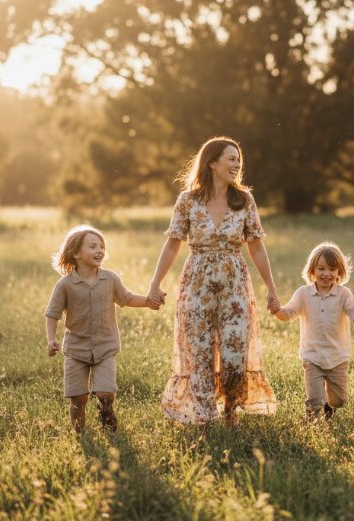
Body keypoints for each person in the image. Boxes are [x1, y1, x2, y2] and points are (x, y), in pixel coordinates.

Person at [147, 137, 279, 427]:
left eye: (238, 159)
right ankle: (205, 416)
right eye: (230, 158)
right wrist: (155, 283)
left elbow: (255, 246)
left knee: (234, 352)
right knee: (200, 350)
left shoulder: (244, 200)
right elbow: (172, 244)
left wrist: (271, 288)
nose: (237, 164)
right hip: (197, 282)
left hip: (234, 284)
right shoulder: (188, 201)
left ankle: (231, 410)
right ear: (212, 162)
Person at [44, 225, 160, 433]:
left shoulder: (110, 279)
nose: (99, 251)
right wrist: (51, 340)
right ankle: (79, 433)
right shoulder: (65, 285)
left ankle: (107, 414)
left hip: (106, 347)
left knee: (106, 393)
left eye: (101, 246)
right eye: (93, 247)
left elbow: (127, 298)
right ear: (76, 253)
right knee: (78, 398)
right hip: (76, 349)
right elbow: (52, 313)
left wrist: (149, 301)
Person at [270, 242, 354, 422]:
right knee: (314, 399)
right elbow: (288, 314)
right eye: (321, 268)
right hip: (312, 356)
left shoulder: (344, 294)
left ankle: (328, 408)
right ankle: (313, 424)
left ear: (340, 272)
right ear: (312, 271)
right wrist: (277, 310)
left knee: (339, 400)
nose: (326, 274)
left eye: (332, 269)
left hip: (337, 357)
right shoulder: (303, 294)